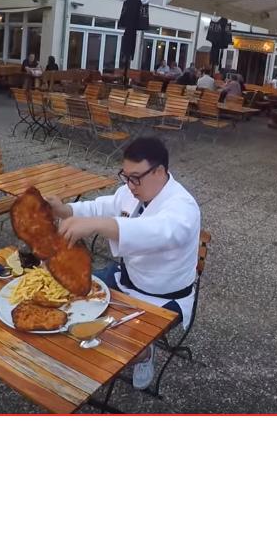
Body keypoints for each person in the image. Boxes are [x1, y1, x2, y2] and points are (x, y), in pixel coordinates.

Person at [48, 137, 201, 391]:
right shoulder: (131, 191)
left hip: (163, 298)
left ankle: (145, 353)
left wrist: (97, 225)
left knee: (113, 341)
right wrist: (65, 211)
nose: (129, 185)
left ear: (159, 171)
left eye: (135, 178)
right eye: (126, 177)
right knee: (67, 298)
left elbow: (158, 231)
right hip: (125, 278)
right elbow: (101, 206)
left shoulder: (183, 207)